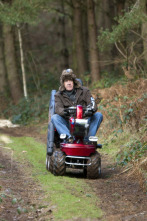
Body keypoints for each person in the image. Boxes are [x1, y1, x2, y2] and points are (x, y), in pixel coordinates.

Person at [51, 69, 103, 142]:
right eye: (66, 81)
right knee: (54, 117)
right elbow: (58, 109)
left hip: (85, 121)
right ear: (63, 83)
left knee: (98, 115)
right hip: (69, 122)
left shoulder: (85, 91)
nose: (69, 83)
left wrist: (90, 110)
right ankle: (69, 138)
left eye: (70, 80)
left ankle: (88, 139)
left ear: (74, 82)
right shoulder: (58, 95)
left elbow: (93, 104)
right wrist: (65, 112)